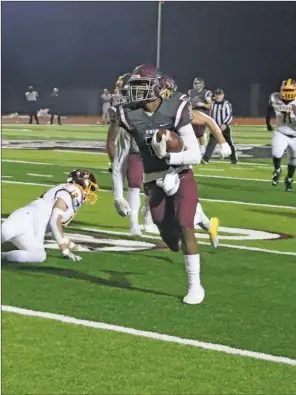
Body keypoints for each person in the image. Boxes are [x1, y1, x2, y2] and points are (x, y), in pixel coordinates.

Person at [111, 64, 215, 305]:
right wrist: (118, 195)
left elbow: (195, 155)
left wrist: (170, 156)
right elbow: (120, 160)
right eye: (133, 87)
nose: (134, 92)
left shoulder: (175, 108)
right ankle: (198, 215)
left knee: (184, 225)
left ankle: (195, 285)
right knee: (171, 241)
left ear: (157, 87)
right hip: (152, 180)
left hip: (181, 174)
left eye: (140, 86)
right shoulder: (128, 115)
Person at [1, 170, 99, 263]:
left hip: (34, 229)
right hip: (25, 219)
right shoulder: (72, 192)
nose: (90, 191)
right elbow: (54, 222)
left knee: (39, 255)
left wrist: (73, 246)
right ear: (83, 184)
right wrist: (65, 251)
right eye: (90, 187)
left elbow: (56, 230)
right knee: (3, 234)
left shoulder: (70, 196)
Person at [107, 73, 154, 235]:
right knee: (134, 185)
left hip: (157, 154)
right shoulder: (123, 114)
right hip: (135, 152)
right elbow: (115, 150)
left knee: (156, 189)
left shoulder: (161, 107)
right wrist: (118, 197)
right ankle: (134, 223)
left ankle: (148, 217)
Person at [266, 78, 296, 192]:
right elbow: (269, 110)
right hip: (281, 132)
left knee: (293, 161)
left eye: (289, 90)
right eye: (285, 90)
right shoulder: (275, 98)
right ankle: (277, 170)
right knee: (276, 153)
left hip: (295, 135)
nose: (287, 93)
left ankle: (288, 179)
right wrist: (268, 122)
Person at [202, 88, 237, 164]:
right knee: (211, 142)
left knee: (229, 143)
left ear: (223, 95)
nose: (218, 96)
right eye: (217, 95)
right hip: (216, 127)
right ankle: (205, 159)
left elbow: (229, 115)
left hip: (224, 127)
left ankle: (234, 159)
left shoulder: (226, 104)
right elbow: (211, 115)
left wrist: (225, 124)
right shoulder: (213, 104)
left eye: (220, 95)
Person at [188, 77, 213, 155]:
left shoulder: (206, 93)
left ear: (201, 85)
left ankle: (202, 149)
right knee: (192, 133)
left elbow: (211, 106)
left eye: (196, 83)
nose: (195, 85)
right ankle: (195, 148)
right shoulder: (190, 92)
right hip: (193, 114)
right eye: (194, 83)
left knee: (200, 133)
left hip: (202, 115)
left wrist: (203, 104)